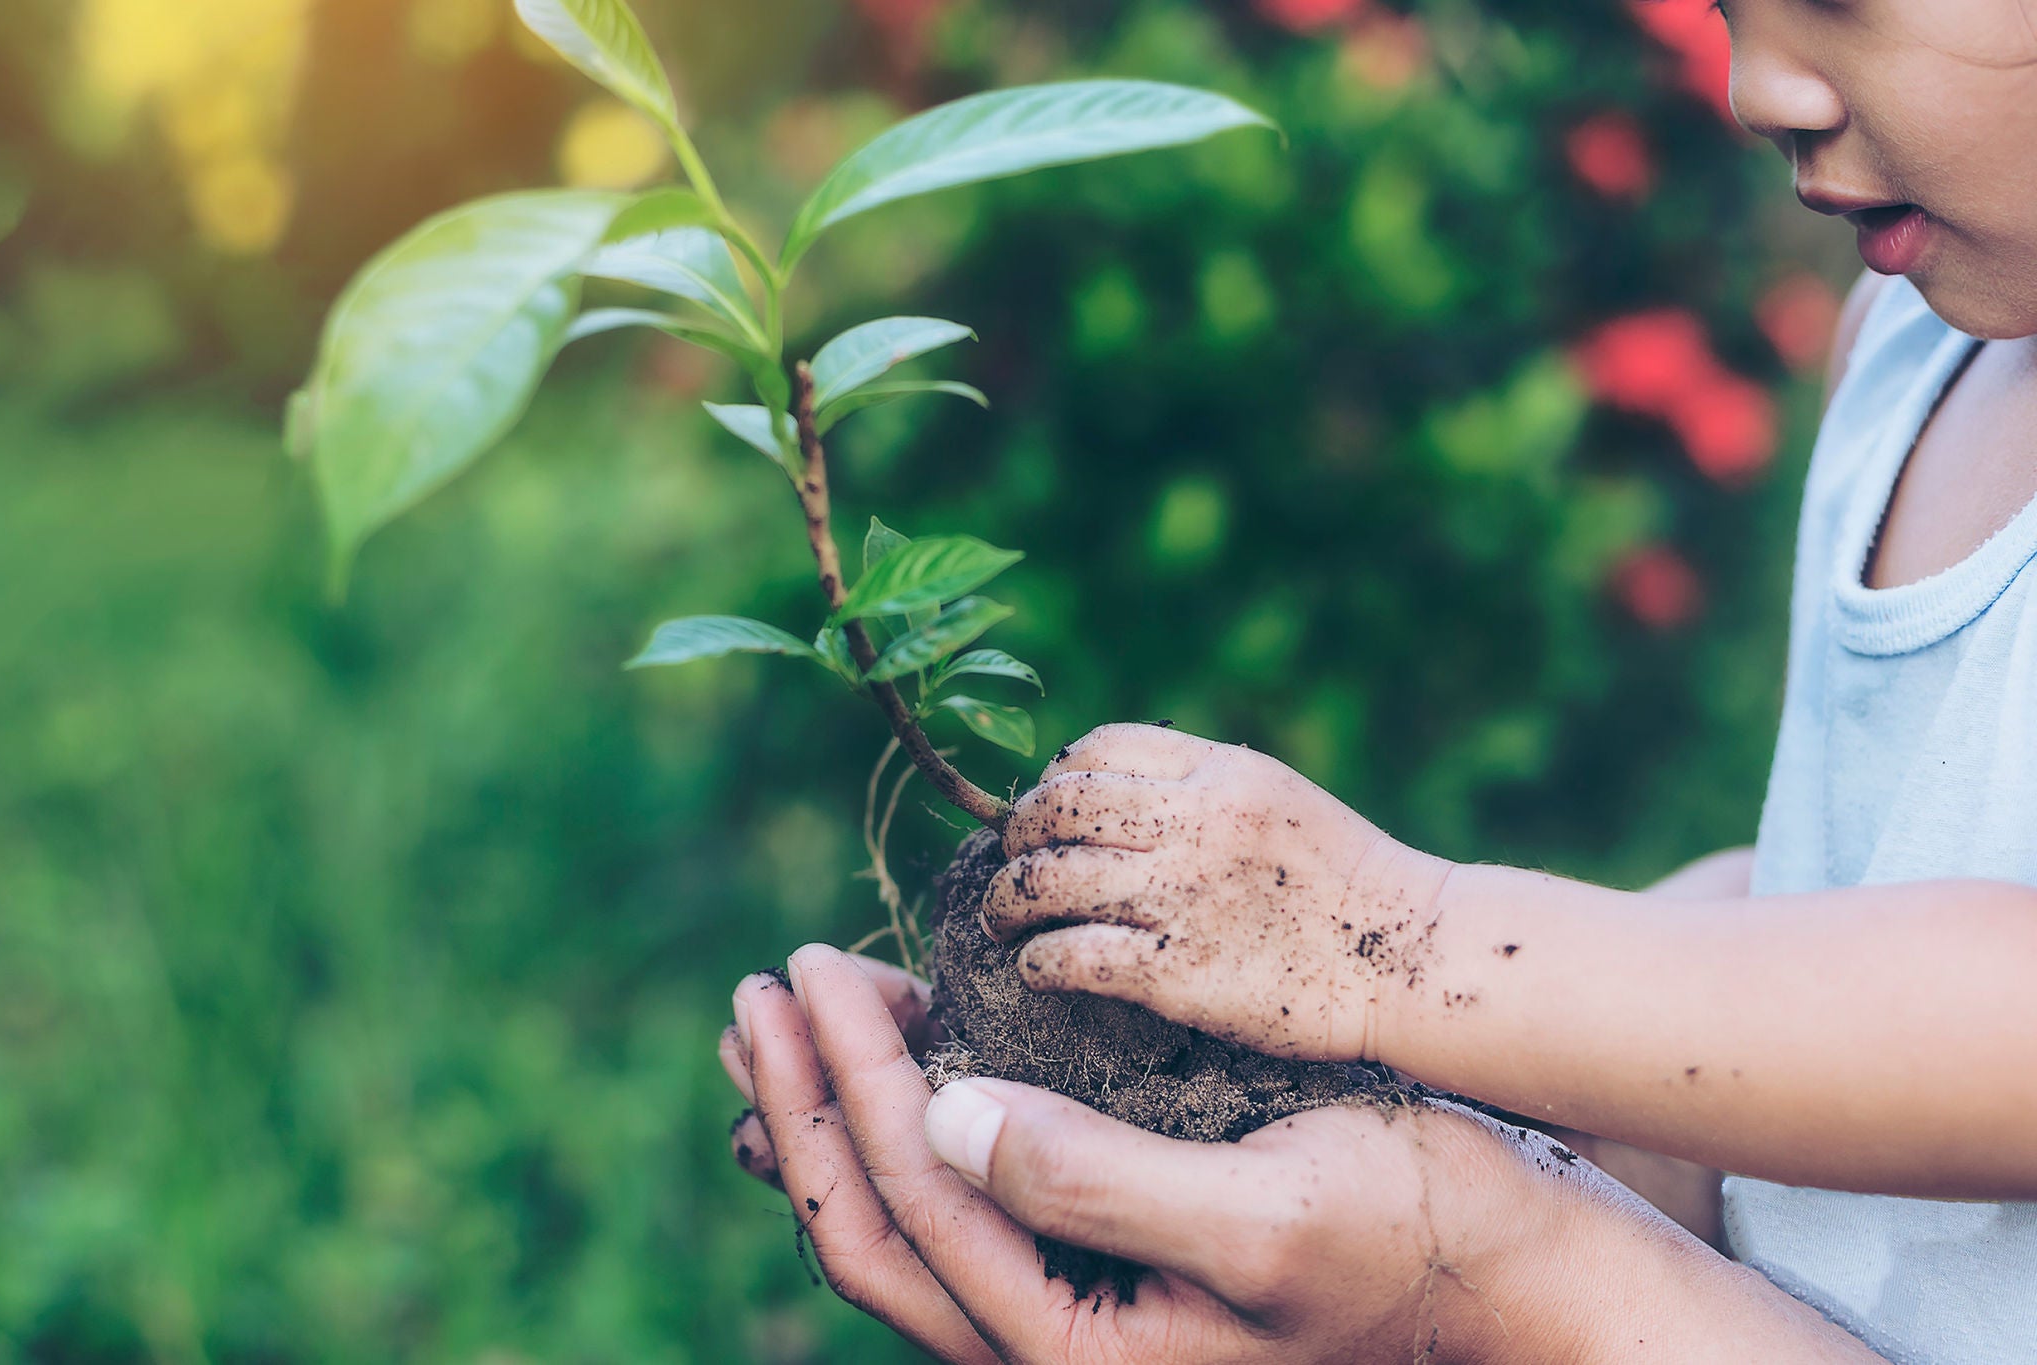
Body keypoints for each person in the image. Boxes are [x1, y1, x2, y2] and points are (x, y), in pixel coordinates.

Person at [720, 0, 2037, 1358]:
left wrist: (1411, 942)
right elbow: (1842, 892)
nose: (1759, 89)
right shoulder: (1905, 350)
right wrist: (1414, 1085)